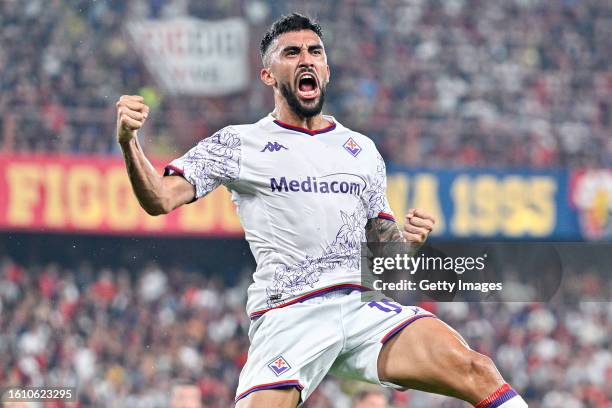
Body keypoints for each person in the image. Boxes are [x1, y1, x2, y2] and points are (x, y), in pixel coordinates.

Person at [115, 13, 527, 408]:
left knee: (477, 369)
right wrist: (129, 141)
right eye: (292, 53)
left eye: (315, 51)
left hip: (363, 307)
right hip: (292, 312)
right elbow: (158, 198)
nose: (306, 58)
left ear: (326, 70)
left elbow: (387, 260)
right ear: (268, 75)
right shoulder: (239, 143)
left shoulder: (361, 150)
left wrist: (409, 243)